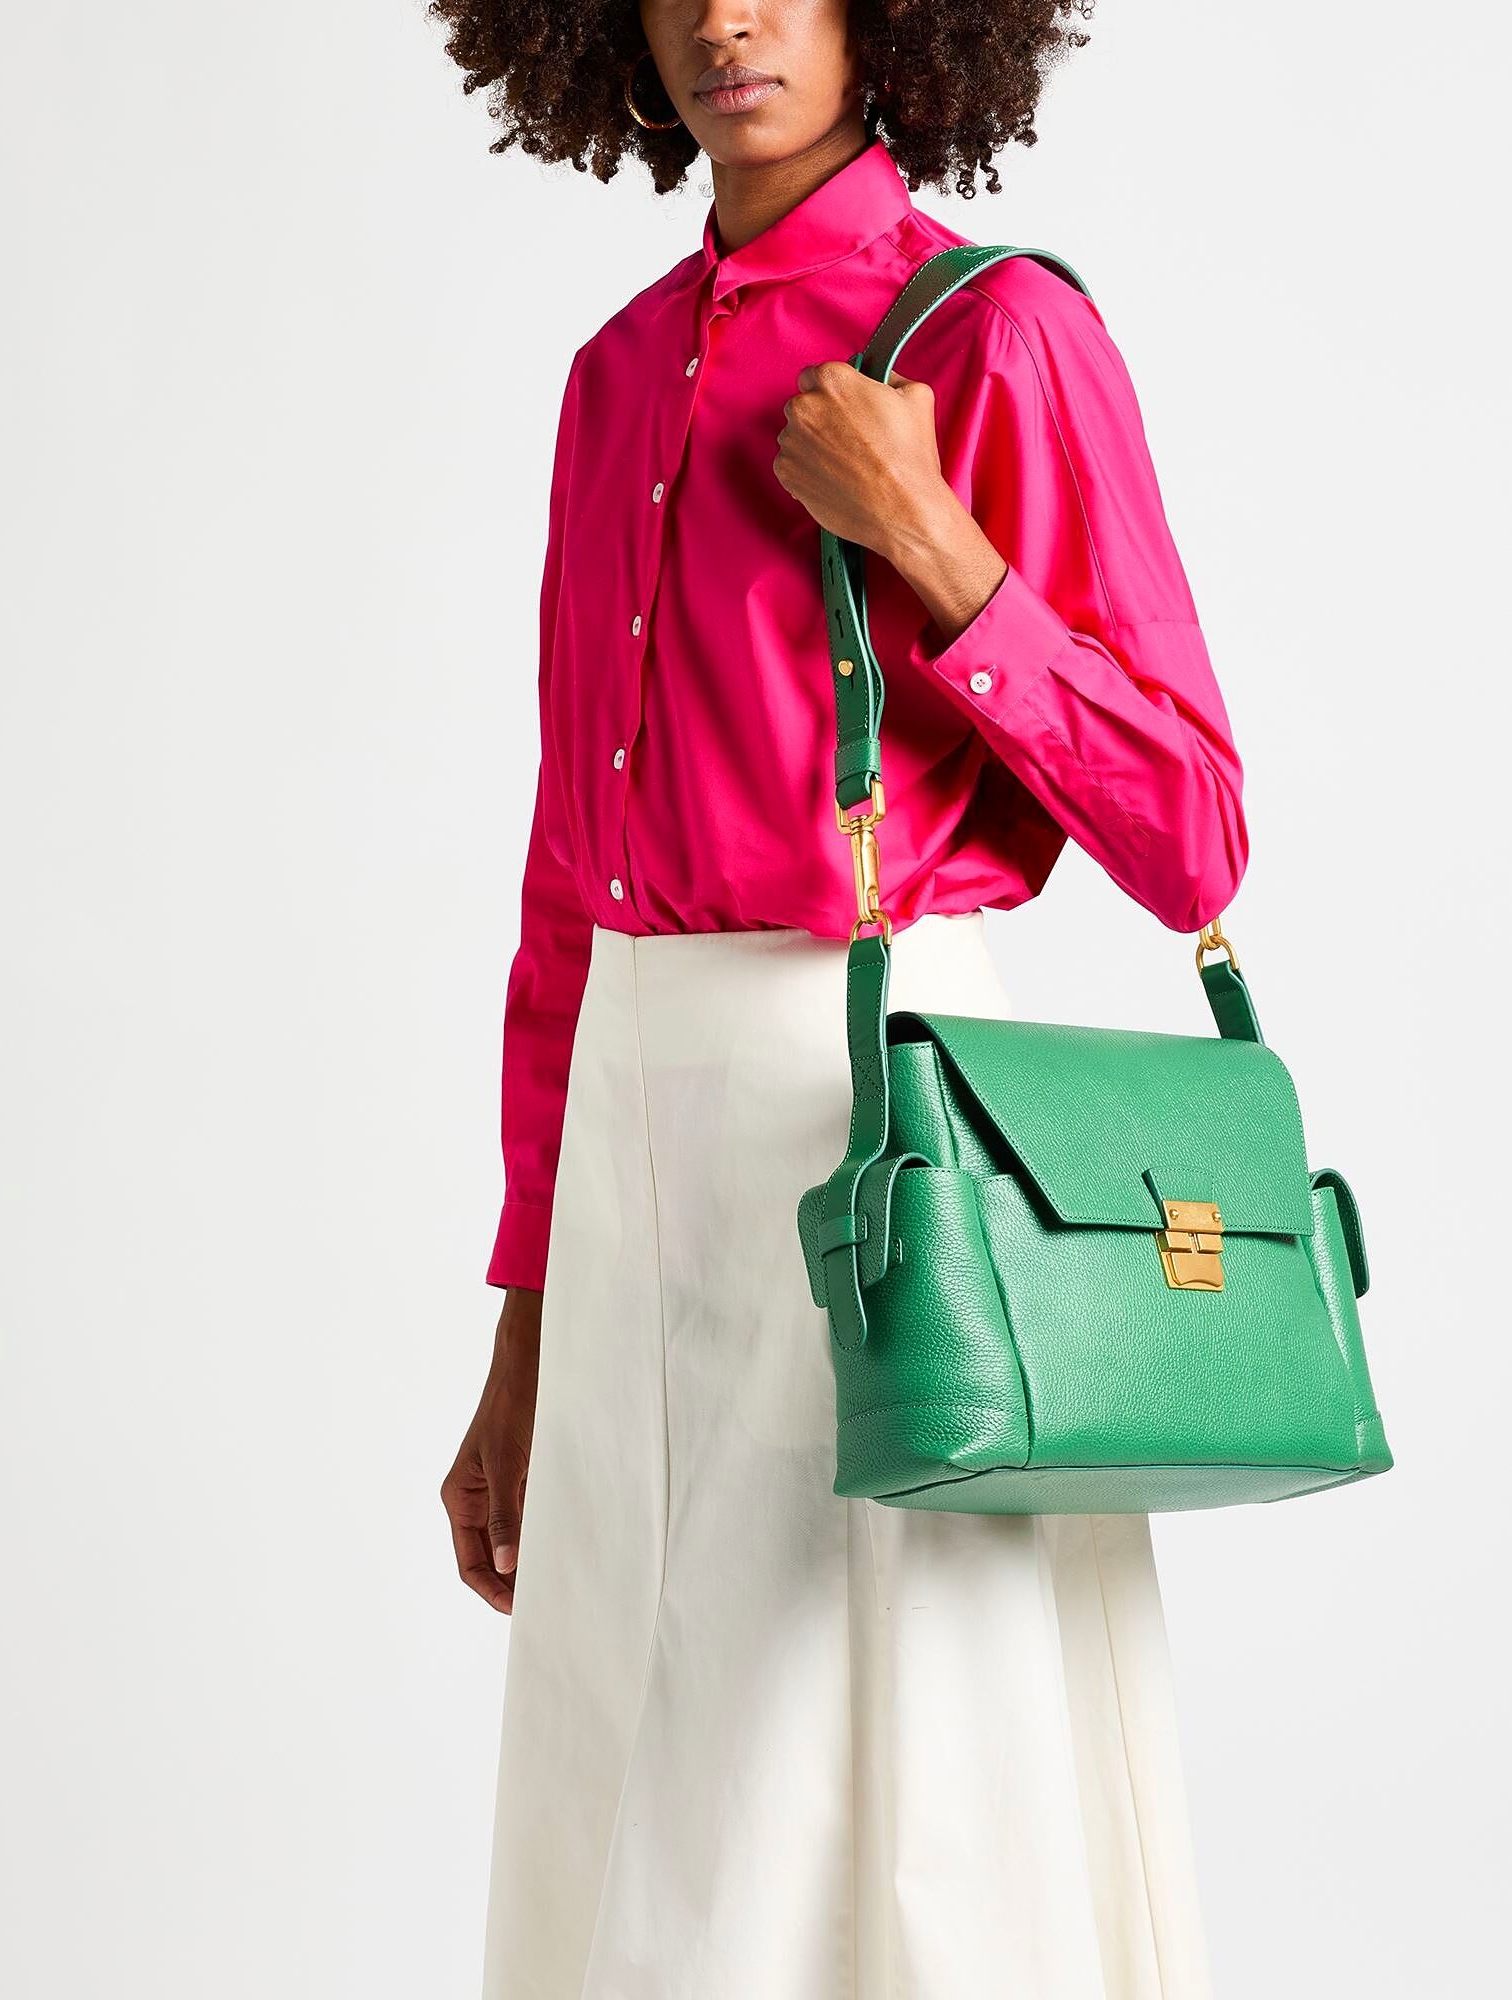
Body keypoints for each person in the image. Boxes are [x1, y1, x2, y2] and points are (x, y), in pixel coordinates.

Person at [435, 3, 1247, 1993]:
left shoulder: (995, 335)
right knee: (645, 1787)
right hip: (631, 1156)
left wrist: (938, 546)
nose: (726, 15)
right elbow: (566, 890)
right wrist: (524, 1327)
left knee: (882, 1788)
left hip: (875, 1124)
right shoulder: (614, 377)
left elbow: (1194, 834)